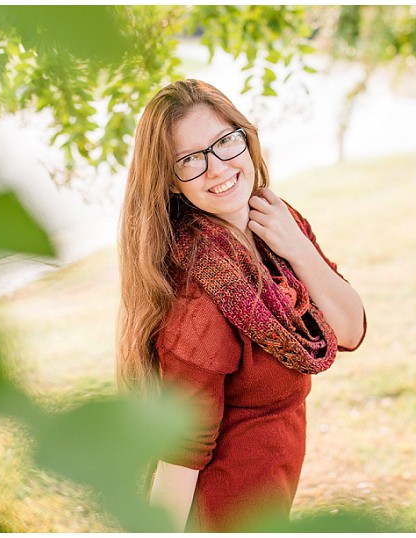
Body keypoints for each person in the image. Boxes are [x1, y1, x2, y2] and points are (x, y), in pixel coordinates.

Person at [116, 79, 366, 532]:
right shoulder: (201, 295)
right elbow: (180, 456)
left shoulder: (275, 227)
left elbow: (349, 330)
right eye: (190, 160)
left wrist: (297, 246)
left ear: (245, 139)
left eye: (223, 143)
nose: (216, 169)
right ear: (171, 183)